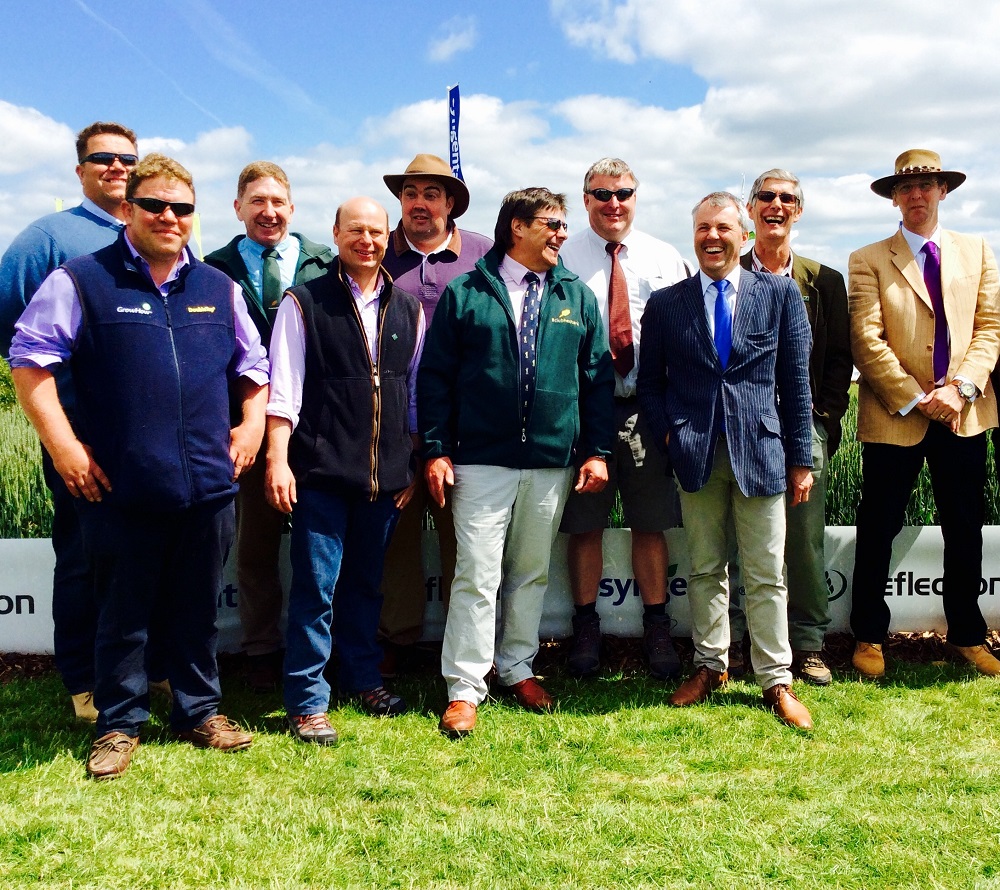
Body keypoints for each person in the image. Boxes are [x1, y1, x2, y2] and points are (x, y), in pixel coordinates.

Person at [10, 154, 269, 779]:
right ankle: (119, 724)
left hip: (208, 481)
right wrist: (65, 447)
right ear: (128, 209)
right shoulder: (81, 280)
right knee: (121, 611)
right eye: (155, 205)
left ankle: (199, 710)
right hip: (121, 483)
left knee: (197, 608)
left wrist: (253, 425)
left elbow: (253, 366)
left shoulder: (218, 287)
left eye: (182, 208)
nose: (169, 217)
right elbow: (28, 362)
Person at [419, 187, 614, 737]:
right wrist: (436, 447)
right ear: (516, 229)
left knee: (529, 573)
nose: (561, 235)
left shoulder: (575, 295)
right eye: (551, 224)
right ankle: (464, 688)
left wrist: (596, 450)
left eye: (561, 225)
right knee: (477, 576)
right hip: (480, 461)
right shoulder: (467, 293)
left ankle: (517, 668)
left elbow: (596, 380)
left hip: (551, 462)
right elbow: (434, 379)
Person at [638, 191, 815, 730]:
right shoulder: (667, 304)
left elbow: (796, 383)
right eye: (702, 229)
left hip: (761, 453)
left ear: (742, 235)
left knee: (766, 573)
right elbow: (650, 387)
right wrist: (671, 437)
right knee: (705, 567)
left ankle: (776, 680)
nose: (712, 237)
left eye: (722, 228)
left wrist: (801, 458)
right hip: (695, 456)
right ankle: (711, 666)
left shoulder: (780, 295)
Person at [265, 196, 424, 745]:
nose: (368, 240)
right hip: (321, 474)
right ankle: (307, 700)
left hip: (384, 480)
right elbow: (282, 390)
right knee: (316, 589)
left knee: (365, 586)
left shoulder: (409, 307)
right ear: (335, 234)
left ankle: (361, 678)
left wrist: (409, 464)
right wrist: (278, 460)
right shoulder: (304, 302)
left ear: (388, 237)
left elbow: (413, 397)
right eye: (356, 230)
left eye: (377, 232)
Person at [0, 121, 144, 721]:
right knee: (85, 557)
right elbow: (15, 337)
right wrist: (59, 431)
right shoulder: (49, 238)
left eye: (127, 159)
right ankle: (84, 681)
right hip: (80, 440)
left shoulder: (154, 233)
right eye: (102, 159)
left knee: (141, 555)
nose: (116, 168)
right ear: (80, 170)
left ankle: (140, 672)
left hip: (148, 440)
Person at [849, 149, 1000, 678]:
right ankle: (868, 635)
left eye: (927, 185)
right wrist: (918, 396)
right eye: (906, 188)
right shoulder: (867, 259)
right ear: (894, 196)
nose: (917, 195)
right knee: (877, 527)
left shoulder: (978, 251)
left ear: (943, 191)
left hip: (964, 412)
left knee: (965, 527)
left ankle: (966, 635)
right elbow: (867, 341)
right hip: (896, 413)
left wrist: (960, 389)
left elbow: (989, 330)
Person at [558, 157, 692, 679]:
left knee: (651, 521)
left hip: (646, 407)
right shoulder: (561, 257)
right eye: (601, 193)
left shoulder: (664, 256)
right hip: (582, 409)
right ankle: (585, 627)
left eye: (624, 193)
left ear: (637, 197)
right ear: (585, 198)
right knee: (585, 525)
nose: (614, 203)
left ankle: (657, 626)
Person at [205, 161, 335, 693]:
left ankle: (328, 653)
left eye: (278, 201)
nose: (269, 211)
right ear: (238, 209)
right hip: (244, 428)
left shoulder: (325, 266)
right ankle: (261, 647)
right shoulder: (211, 269)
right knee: (255, 544)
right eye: (257, 202)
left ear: (293, 208)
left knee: (324, 547)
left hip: (319, 430)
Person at [726, 169, 852, 685]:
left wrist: (823, 418)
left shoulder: (823, 281)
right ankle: (740, 641)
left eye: (787, 199)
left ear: (798, 211)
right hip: (741, 429)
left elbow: (839, 360)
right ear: (750, 210)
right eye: (766, 198)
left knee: (802, 541)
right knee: (741, 539)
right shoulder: (724, 273)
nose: (776, 205)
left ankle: (808, 643)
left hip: (803, 428)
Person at [377, 153, 492, 673]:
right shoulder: (377, 253)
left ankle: (462, 650)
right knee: (394, 540)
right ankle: (395, 642)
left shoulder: (485, 257)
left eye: (430, 193)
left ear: (451, 203)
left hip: (464, 429)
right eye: (410, 193)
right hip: (393, 425)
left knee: (464, 542)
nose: (418, 204)